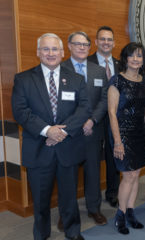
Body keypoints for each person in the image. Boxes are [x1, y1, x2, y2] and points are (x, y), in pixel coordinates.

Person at [11, 33, 89, 240]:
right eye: (46, 49)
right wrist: (48, 130)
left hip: (68, 147)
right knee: (40, 200)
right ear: (38, 52)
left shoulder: (76, 79)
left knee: (70, 198)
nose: (51, 53)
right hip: (38, 148)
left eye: (55, 49)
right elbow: (20, 111)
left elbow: (83, 108)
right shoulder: (23, 79)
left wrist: (61, 132)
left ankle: (73, 233)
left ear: (63, 53)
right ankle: (42, 234)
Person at [58, 31, 107, 230]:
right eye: (77, 44)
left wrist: (92, 120)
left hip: (92, 130)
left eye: (85, 44)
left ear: (90, 47)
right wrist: (77, 124)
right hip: (69, 133)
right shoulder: (59, 69)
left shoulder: (98, 71)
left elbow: (104, 100)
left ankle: (94, 208)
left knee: (93, 171)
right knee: (67, 175)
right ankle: (66, 213)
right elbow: (58, 105)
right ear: (69, 46)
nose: (82, 47)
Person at [107, 42, 145, 235]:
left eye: (139, 56)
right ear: (125, 58)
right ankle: (120, 215)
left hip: (140, 134)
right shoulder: (116, 81)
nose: (135, 59)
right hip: (122, 133)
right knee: (128, 175)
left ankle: (130, 213)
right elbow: (111, 113)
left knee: (136, 175)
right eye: (132, 55)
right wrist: (118, 141)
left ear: (143, 60)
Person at [88, 26, 120, 207]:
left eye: (109, 40)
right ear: (96, 42)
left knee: (114, 155)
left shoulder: (119, 64)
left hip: (114, 118)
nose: (106, 42)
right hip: (93, 119)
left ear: (114, 43)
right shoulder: (87, 62)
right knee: (91, 158)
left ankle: (113, 192)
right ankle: (92, 199)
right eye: (102, 39)